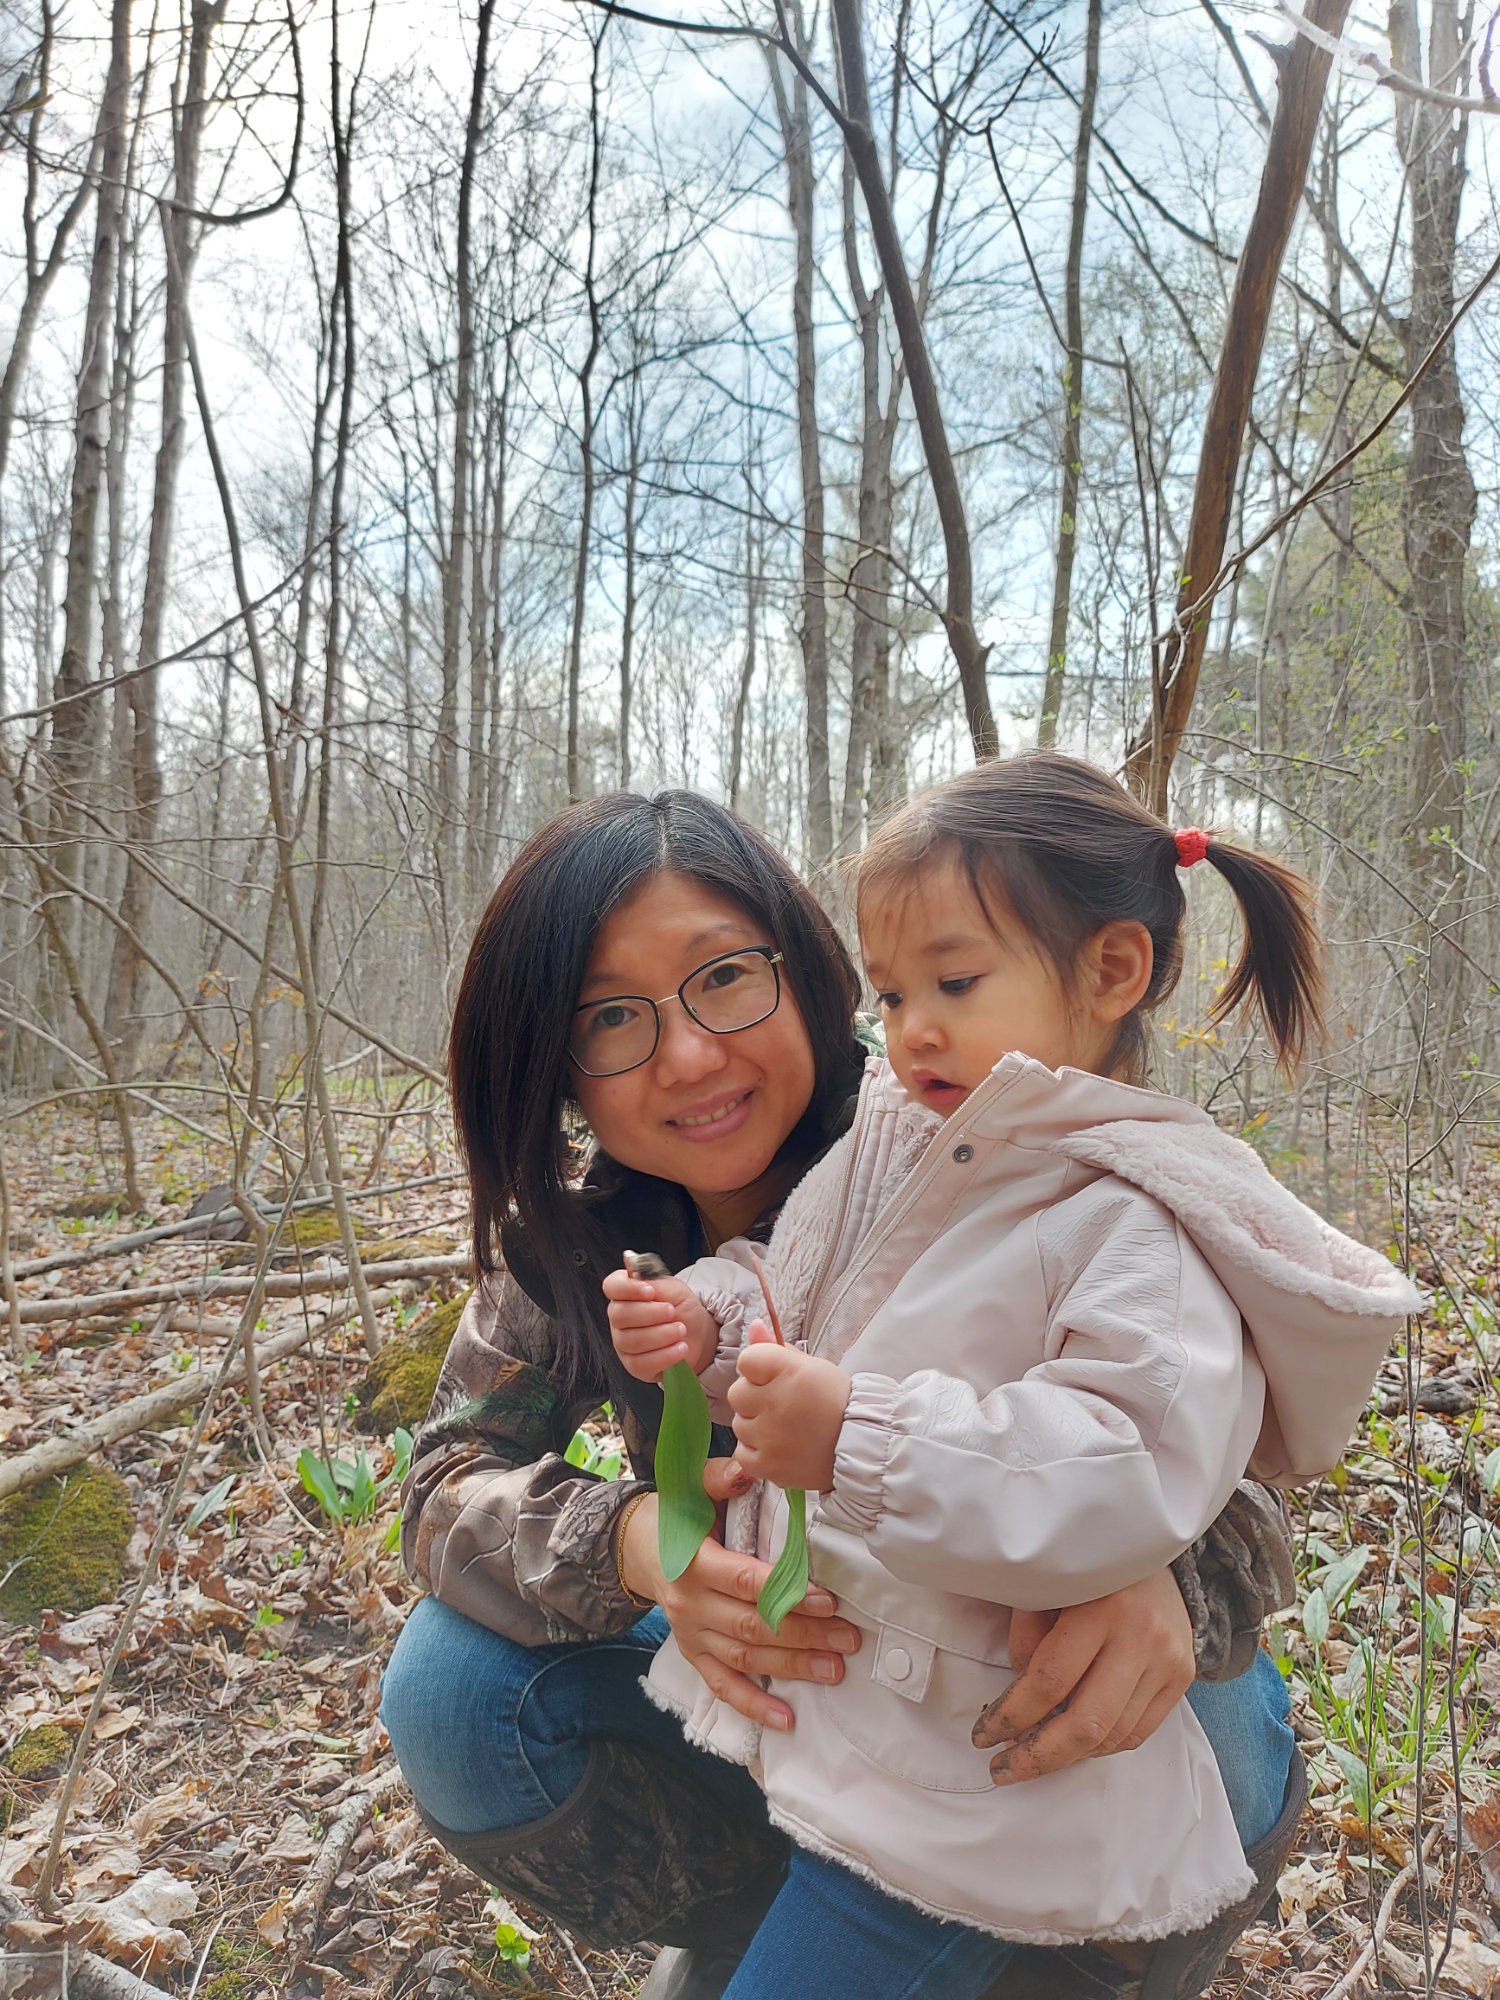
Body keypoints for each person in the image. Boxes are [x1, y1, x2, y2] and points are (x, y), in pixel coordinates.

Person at [380, 786, 1315, 2000]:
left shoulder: (954, 1123)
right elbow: (442, 1486)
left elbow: (1210, 1440)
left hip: (1031, 1720)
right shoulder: (572, 1245)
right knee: (452, 1687)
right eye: (611, 1016)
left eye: (723, 977)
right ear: (559, 1067)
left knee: (1188, 1673)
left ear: (804, 965)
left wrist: (1162, 1571)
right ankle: (785, 1911)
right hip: (821, 1681)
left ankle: (1075, 1961)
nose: (689, 1054)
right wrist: (639, 1539)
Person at [604, 755, 1419, 2000]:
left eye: (956, 979)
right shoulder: (904, 1138)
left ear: (1111, 970)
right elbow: (798, 1276)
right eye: (891, 991)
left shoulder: (1134, 1218)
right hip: (869, 1698)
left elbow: (1124, 1464)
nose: (911, 1024)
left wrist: (856, 1435)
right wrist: (707, 1324)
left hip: (973, 1761)